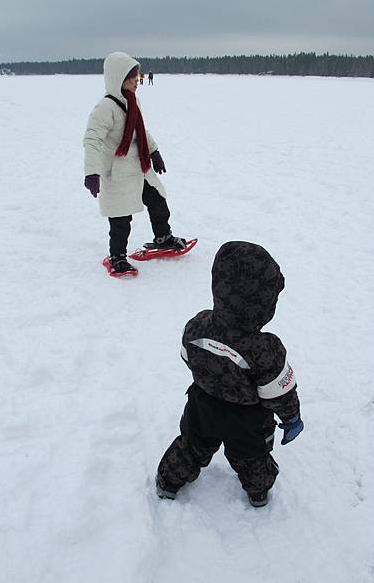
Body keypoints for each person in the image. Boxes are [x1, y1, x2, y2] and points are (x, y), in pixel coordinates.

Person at [156, 241, 304, 507]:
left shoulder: (198, 325)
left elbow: (188, 357)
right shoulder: (265, 349)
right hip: (247, 420)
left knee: (191, 446)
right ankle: (258, 491)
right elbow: (279, 393)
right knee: (251, 457)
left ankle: (169, 481)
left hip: (202, 407)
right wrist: (291, 416)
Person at [83, 52, 185, 275]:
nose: (137, 83)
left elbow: (141, 130)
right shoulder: (105, 108)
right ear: (119, 78)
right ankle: (117, 257)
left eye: (138, 78)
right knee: (120, 219)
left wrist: (154, 151)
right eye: (132, 79)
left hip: (139, 167)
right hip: (117, 172)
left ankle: (163, 237)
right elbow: (92, 140)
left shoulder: (132, 101)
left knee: (158, 200)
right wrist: (92, 172)